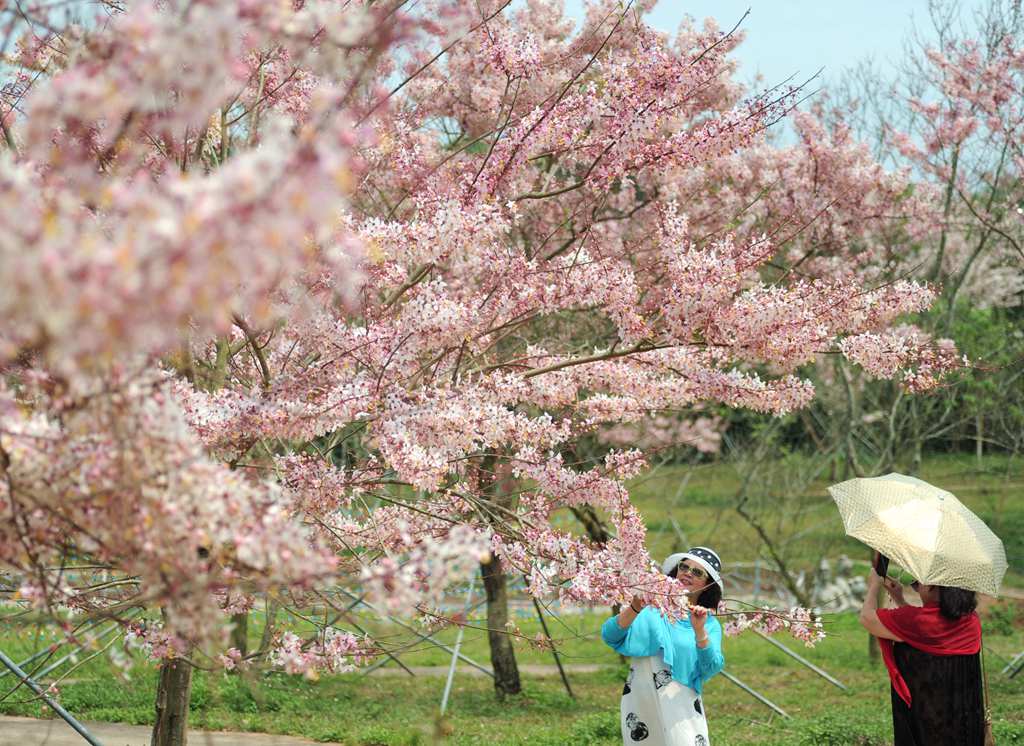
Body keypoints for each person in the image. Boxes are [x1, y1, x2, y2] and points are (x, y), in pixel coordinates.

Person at [601, 547, 726, 745]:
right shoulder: (650, 608)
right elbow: (610, 635)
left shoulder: (709, 623)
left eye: (697, 572)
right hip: (641, 699)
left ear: (707, 585)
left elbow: (711, 667)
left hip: (680, 703)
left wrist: (699, 631)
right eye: (684, 567)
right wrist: (635, 607)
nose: (687, 573)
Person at [858, 566, 985, 746]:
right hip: (964, 719)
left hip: (926, 721)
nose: (917, 588)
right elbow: (923, 632)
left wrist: (873, 586)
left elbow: (867, 619)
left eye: (918, 583)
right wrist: (899, 598)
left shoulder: (916, 621)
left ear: (934, 585)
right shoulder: (972, 620)